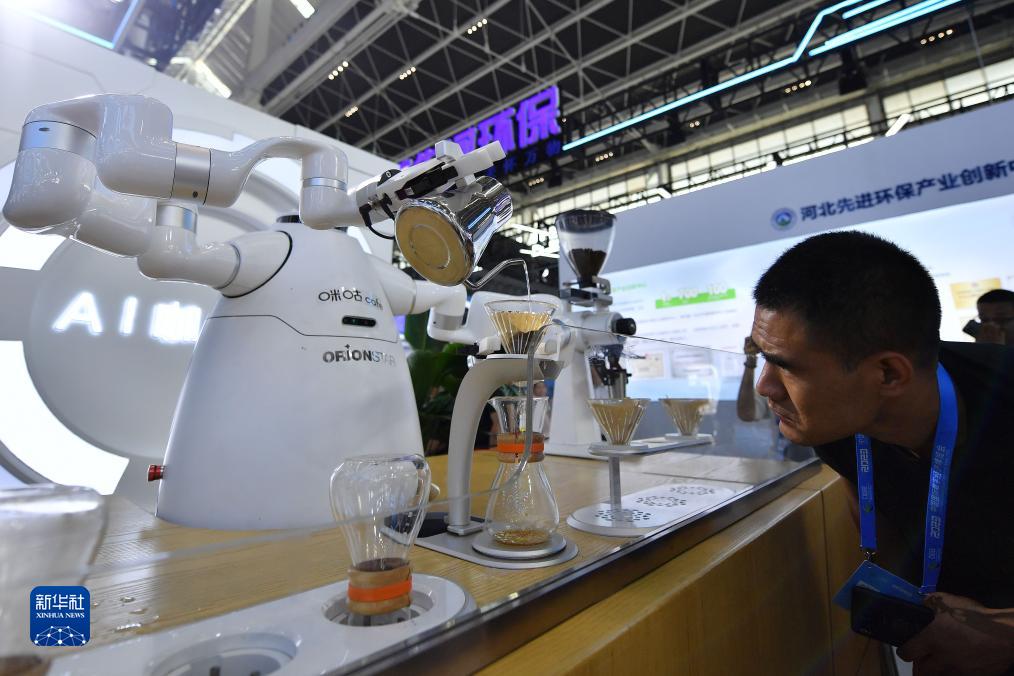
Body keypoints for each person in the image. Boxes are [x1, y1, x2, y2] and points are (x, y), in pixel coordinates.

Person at [750, 230, 1014, 675]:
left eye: (786, 367)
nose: (765, 386)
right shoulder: (834, 426)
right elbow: (882, 528)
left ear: (889, 374)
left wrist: (1002, 636)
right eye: (763, 357)